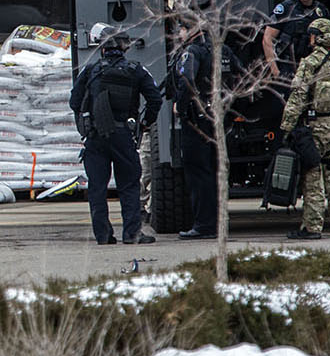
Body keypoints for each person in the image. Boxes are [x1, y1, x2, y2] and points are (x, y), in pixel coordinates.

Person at [70, 27, 163, 245]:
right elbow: (155, 99)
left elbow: (74, 101)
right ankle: (132, 234)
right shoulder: (136, 70)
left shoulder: (90, 70)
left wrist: (85, 124)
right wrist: (145, 123)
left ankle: (103, 236)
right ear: (124, 47)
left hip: (95, 136)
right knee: (129, 186)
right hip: (123, 135)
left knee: (97, 187)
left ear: (102, 48)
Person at [280, 17, 330, 240]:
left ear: (319, 37)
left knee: (312, 173)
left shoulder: (312, 62)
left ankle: (312, 227)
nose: (310, 39)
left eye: (312, 35)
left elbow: (297, 96)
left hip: (315, 125)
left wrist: (286, 127)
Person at [171, 27, 235, 240]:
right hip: (219, 119)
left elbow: (187, 80)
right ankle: (219, 222)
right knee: (216, 171)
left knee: (199, 173)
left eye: (181, 29)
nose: (179, 34)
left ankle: (204, 225)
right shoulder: (223, 50)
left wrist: (180, 107)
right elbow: (240, 75)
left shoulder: (192, 52)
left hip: (197, 120)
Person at [262, 0, 330, 79]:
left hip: (312, 67)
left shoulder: (321, 11)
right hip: (287, 67)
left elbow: (328, 40)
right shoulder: (286, 8)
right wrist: (275, 71)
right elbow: (267, 38)